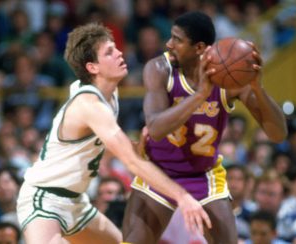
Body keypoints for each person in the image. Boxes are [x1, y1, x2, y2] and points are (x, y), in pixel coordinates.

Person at [16, 22, 211, 244]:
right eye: (109, 52)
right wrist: (182, 196)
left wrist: (138, 145)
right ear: (92, 67)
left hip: (76, 203)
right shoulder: (89, 104)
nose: (119, 53)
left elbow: (110, 144)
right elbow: (131, 161)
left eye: (116, 48)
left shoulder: (109, 93)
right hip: (44, 199)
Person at [122, 11, 287, 244]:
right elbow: (156, 128)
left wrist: (258, 89)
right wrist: (200, 95)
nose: (169, 44)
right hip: (158, 170)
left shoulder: (229, 81)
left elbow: (278, 134)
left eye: (177, 39)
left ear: (199, 48)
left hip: (203, 174)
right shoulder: (159, 69)